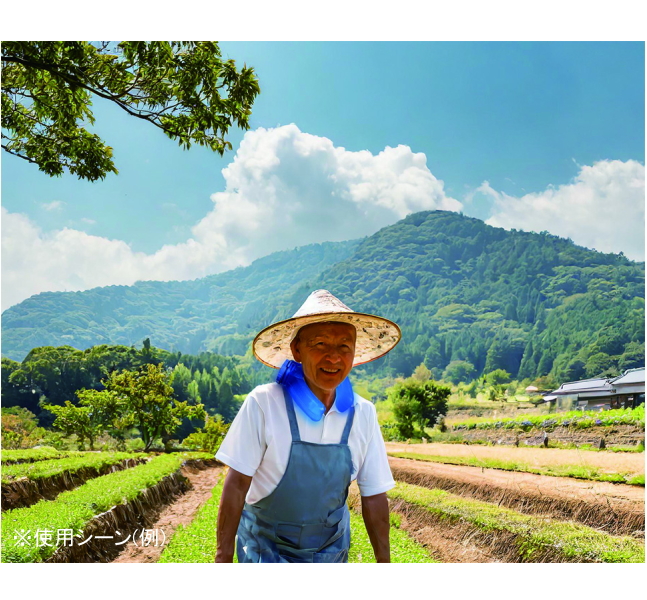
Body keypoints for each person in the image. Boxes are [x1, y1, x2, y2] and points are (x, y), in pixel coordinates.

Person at [214, 289, 401, 563]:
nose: (333, 357)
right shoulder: (265, 403)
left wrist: (385, 566)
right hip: (264, 551)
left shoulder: (362, 413)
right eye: (320, 344)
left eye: (344, 347)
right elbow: (237, 484)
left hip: (330, 554)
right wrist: (222, 559)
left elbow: (373, 495)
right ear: (297, 350)